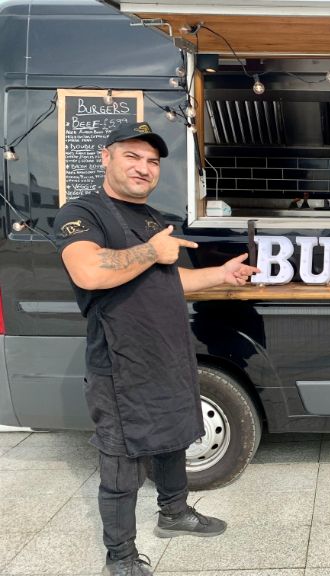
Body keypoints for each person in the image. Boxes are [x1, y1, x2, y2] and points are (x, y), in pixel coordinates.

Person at [53, 122, 259, 576]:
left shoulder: (151, 218)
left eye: (152, 161)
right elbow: (89, 272)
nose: (144, 168)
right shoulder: (82, 213)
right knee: (122, 463)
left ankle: (174, 512)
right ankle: (121, 557)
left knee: (174, 439)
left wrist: (220, 275)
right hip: (121, 366)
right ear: (106, 157)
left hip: (169, 353)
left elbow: (171, 281)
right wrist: (151, 252)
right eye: (132, 156)